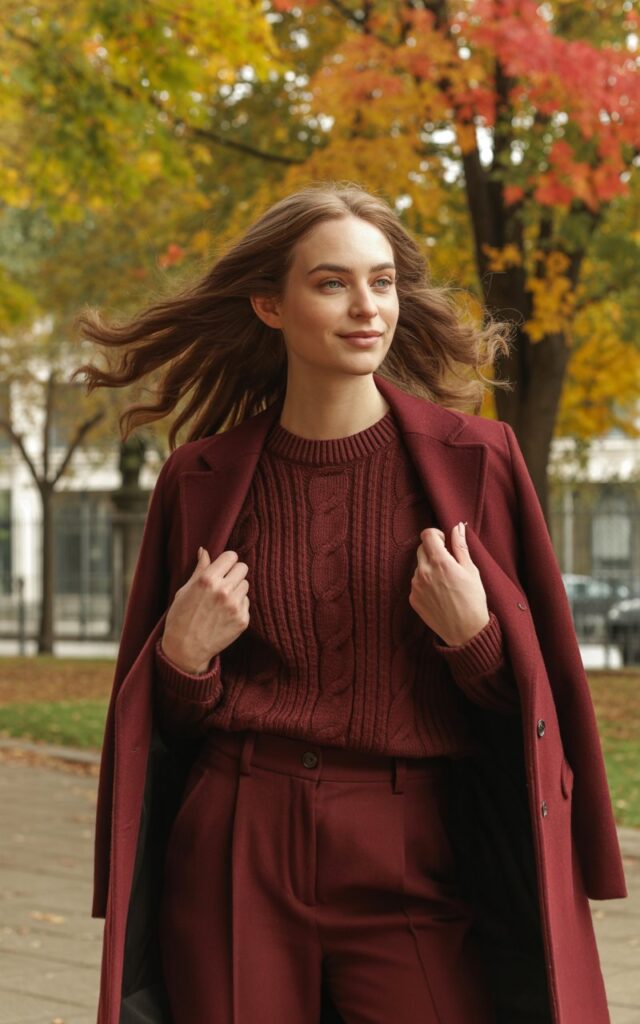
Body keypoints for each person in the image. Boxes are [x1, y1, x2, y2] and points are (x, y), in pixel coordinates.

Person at [75, 182, 626, 1024]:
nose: (367, 306)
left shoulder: (479, 460)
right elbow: (166, 734)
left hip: (412, 844)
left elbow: (536, 701)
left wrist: (476, 640)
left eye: (383, 282)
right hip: (238, 840)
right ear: (269, 303)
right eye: (332, 282)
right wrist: (182, 662)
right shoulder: (201, 478)